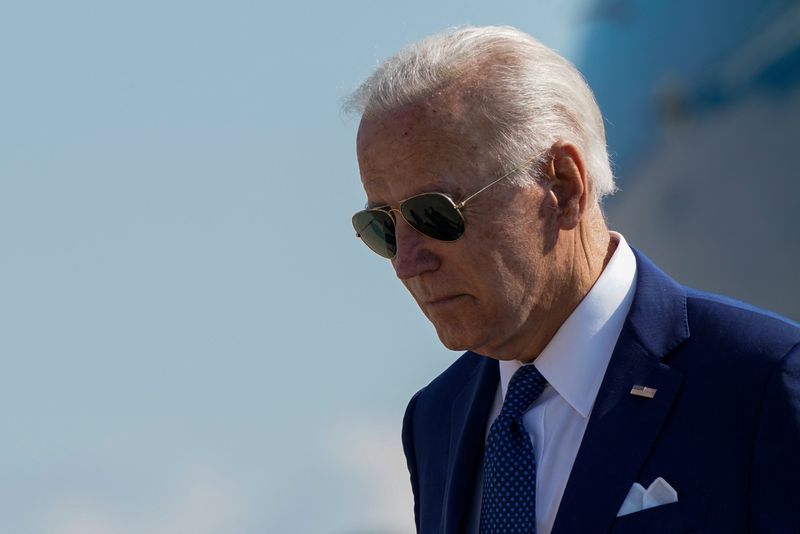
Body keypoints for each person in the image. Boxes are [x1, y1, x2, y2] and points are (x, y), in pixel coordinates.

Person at [346, 25, 800, 534]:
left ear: (562, 187)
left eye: (435, 214)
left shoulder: (760, 381)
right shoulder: (435, 418)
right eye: (382, 227)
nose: (406, 262)